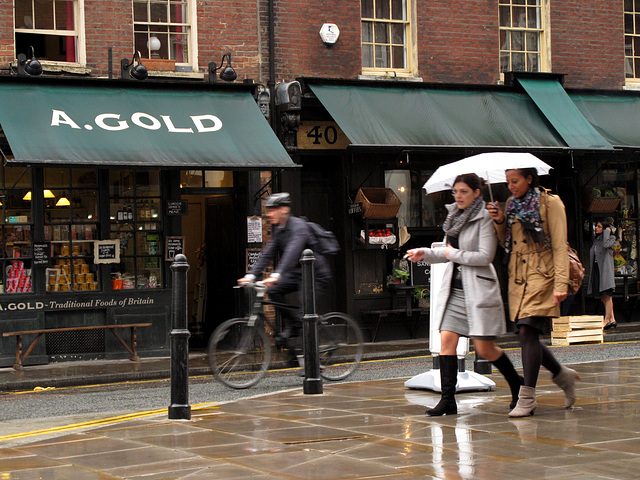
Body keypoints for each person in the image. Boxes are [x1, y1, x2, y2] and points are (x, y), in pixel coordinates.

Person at [406, 173, 523, 416]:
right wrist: (425, 253)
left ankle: (518, 385)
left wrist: (452, 255)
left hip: (478, 291)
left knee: (485, 349)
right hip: (455, 291)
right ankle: (448, 400)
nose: (458, 196)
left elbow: (484, 256)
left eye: (463, 191)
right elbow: (447, 251)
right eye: (455, 191)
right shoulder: (454, 217)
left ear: (477, 192)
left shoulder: (485, 218)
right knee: (446, 339)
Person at [488, 168, 580, 417]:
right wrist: (499, 221)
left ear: (530, 178)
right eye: (508, 182)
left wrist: (561, 285)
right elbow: (506, 241)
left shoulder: (551, 203)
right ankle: (562, 375)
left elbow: (560, 245)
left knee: (528, 330)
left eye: (515, 181)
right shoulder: (511, 205)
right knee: (527, 334)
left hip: (544, 275)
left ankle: (527, 397)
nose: (511, 186)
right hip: (519, 277)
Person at [238, 192, 331, 349]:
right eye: (268, 210)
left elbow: (292, 254)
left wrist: (276, 274)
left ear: (284, 209)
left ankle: (314, 360)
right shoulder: (279, 229)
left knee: (306, 315)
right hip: (297, 274)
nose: (269, 214)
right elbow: (268, 253)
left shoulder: (299, 227)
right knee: (273, 290)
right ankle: (294, 325)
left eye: (272, 210)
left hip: (315, 275)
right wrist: (251, 275)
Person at [588, 219, 616, 329]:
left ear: (605, 229)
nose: (596, 228)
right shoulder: (596, 240)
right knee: (603, 296)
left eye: (599, 226)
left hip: (605, 271)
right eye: (596, 226)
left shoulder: (611, 239)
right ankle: (612, 319)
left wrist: (607, 232)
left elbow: (605, 245)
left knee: (607, 295)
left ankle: (607, 320)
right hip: (597, 269)